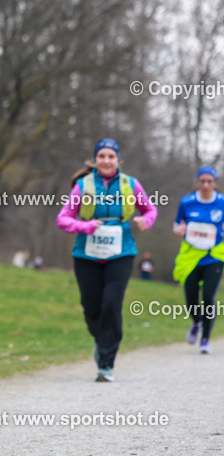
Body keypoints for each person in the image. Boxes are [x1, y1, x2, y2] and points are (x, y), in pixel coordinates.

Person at [56, 138, 157, 381]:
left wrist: (146, 220)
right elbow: (63, 219)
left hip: (120, 253)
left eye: (111, 156)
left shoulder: (130, 184)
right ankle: (101, 339)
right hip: (86, 254)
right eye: (102, 156)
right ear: (95, 159)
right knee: (92, 309)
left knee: (111, 304)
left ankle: (106, 363)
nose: (106, 160)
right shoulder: (83, 186)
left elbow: (150, 209)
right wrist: (85, 226)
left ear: (118, 160)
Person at [172, 166, 224, 354]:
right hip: (191, 257)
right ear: (198, 182)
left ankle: (205, 339)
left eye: (210, 181)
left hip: (214, 256)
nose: (206, 185)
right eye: (202, 181)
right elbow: (177, 225)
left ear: (215, 183)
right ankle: (196, 322)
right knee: (191, 297)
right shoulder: (187, 202)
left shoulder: (222, 202)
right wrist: (178, 230)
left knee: (209, 296)